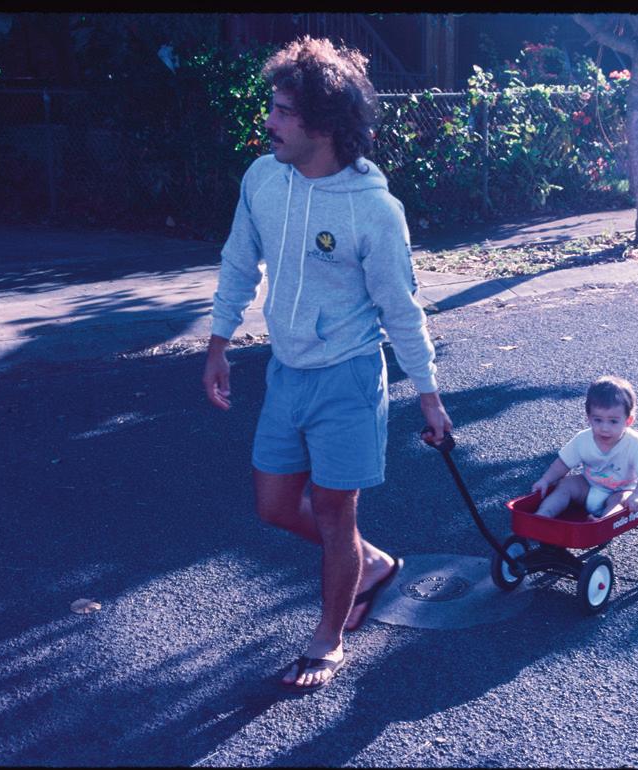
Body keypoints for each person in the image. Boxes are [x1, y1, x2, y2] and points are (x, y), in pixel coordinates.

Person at [200, 36, 452, 693]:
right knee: (274, 506)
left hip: (347, 376)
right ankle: (371, 565)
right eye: (273, 109)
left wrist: (428, 393)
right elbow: (238, 259)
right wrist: (219, 342)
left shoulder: (373, 211)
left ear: (323, 124)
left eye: (283, 112)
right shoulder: (262, 179)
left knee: (336, 513)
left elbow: (401, 308)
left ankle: (328, 637)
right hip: (285, 372)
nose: (270, 122)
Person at [531, 376, 638, 520]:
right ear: (589, 418)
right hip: (589, 486)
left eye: (613, 421)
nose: (604, 428)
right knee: (566, 484)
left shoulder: (634, 443)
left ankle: (602, 523)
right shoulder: (583, 439)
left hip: (621, 490)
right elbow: (563, 463)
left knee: (622, 500)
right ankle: (543, 515)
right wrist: (546, 480)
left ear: (628, 421)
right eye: (598, 420)